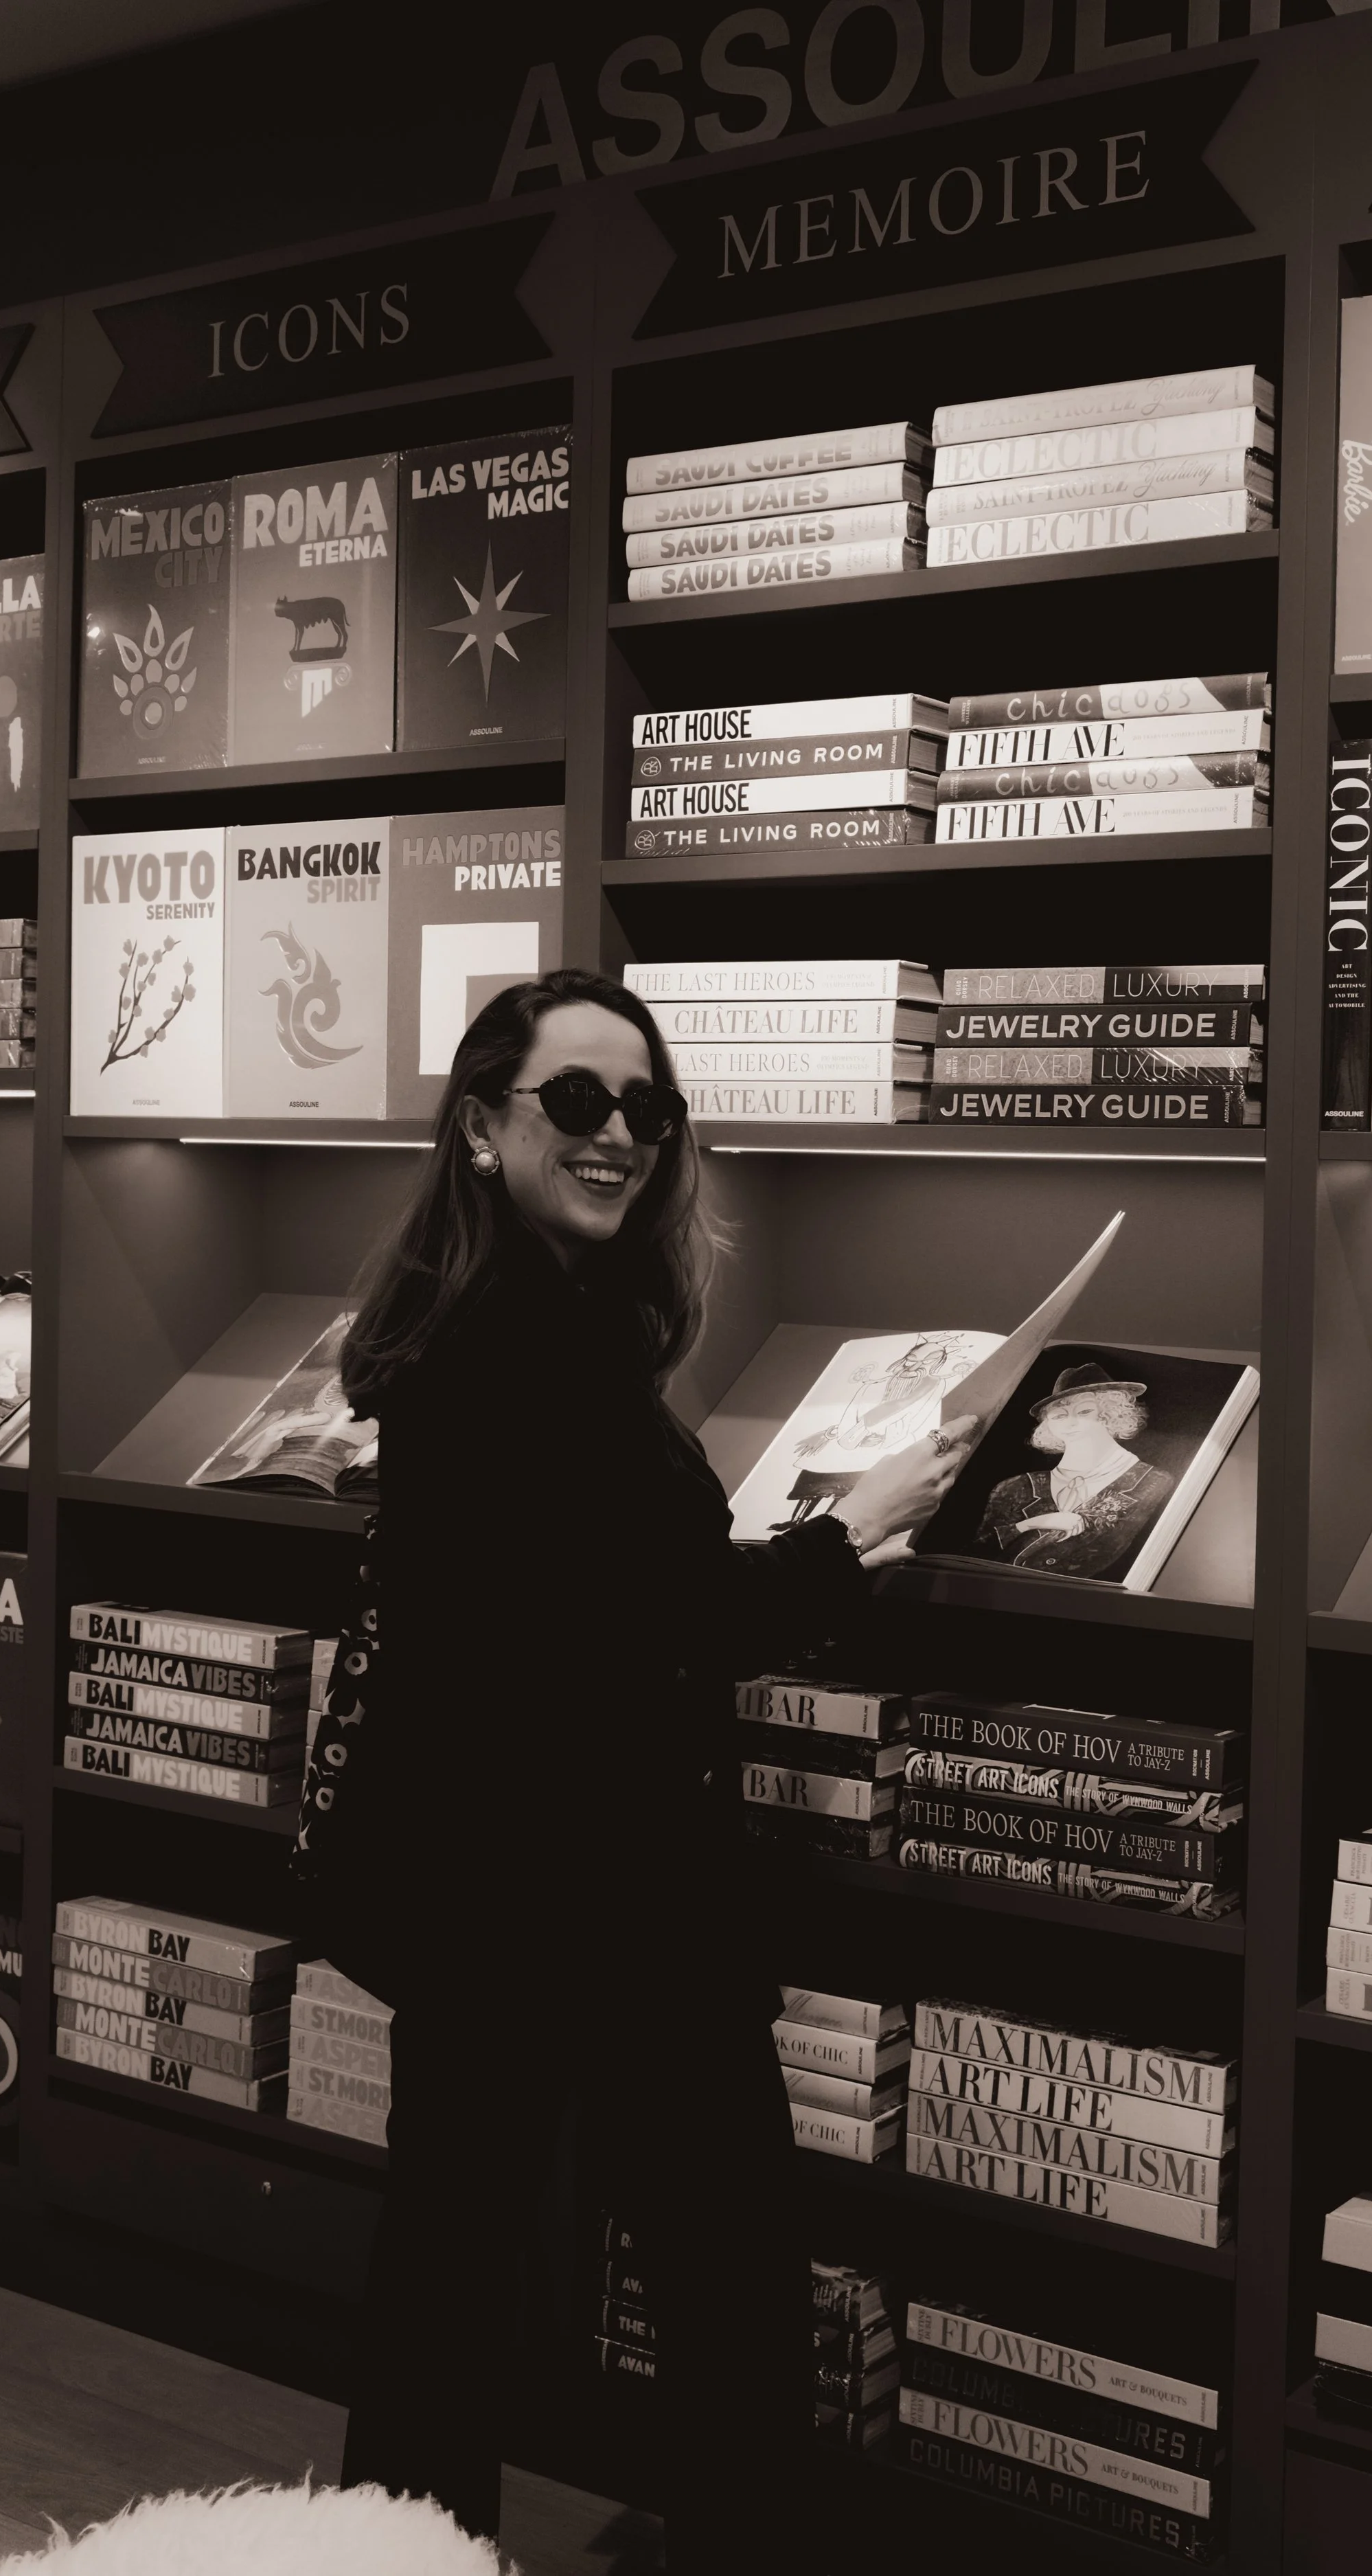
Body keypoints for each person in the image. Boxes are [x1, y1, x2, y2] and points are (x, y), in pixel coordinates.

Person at [322, 968, 974, 2568]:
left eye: (646, 1106)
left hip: (495, 1881)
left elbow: (582, 1588)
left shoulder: (513, 1316)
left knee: (449, 2275)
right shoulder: (516, 1343)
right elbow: (661, 1617)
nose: (616, 1131)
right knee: (724, 2266)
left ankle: (400, 2554)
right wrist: (850, 1532)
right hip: (586, 1885)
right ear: (483, 1126)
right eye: (575, 1098)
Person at [976, 1359, 1173, 1579]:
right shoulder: (1013, 1488)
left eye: (1084, 1412)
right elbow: (976, 1553)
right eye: (1059, 1415)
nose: (1070, 1423)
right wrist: (1030, 1524)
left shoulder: (1151, 1482)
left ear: (1111, 1414)